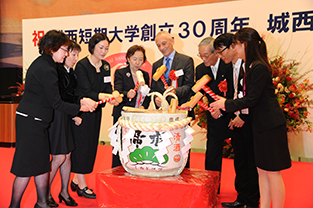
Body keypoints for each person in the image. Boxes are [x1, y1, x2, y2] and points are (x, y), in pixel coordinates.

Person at [9, 30, 97, 208]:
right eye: (65, 50)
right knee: (26, 169)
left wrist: (80, 102)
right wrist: (81, 107)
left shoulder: (46, 64)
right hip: (30, 123)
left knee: (42, 166)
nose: (66, 54)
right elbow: (57, 102)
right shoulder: (47, 69)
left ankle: (42, 202)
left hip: (37, 122)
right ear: (52, 48)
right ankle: (14, 206)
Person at [210, 27, 291, 208]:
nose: (235, 49)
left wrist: (225, 104)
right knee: (262, 171)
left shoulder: (259, 67)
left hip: (270, 126)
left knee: (273, 173)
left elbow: (251, 99)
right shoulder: (251, 66)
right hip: (260, 126)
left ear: (245, 45)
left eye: (237, 45)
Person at [214, 33, 259, 208]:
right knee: (240, 161)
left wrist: (242, 116)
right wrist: (234, 116)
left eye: (221, 51)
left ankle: (252, 200)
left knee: (251, 162)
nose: (220, 56)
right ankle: (241, 197)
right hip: (237, 119)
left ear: (233, 47)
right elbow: (234, 96)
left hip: (249, 120)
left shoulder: (248, 67)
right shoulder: (229, 68)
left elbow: (250, 96)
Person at [70, 33, 118, 199]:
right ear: (92, 47)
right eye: (101, 47)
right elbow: (86, 90)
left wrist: (113, 95)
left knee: (90, 147)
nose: (104, 51)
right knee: (81, 147)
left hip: (96, 111)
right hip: (82, 111)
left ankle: (76, 179)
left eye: (106, 48)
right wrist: (105, 96)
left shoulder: (105, 66)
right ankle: (82, 185)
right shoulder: (82, 65)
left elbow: (107, 87)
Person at [150, 31, 194, 168]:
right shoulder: (156, 65)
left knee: (182, 146)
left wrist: (175, 92)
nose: (162, 48)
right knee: (164, 146)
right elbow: (153, 88)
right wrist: (157, 97)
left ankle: (184, 174)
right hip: (163, 114)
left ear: (172, 41)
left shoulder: (186, 61)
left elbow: (190, 85)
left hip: (181, 110)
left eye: (164, 43)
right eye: (158, 45)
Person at [47, 40, 82, 207]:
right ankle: (44, 193)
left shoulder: (71, 72)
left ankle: (64, 191)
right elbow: (60, 98)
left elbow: (71, 96)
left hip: (66, 116)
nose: (75, 58)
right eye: (73, 54)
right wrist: (78, 108)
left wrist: (75, 112)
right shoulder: (57, 71)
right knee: (59, 156)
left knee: (67, 156)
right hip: (56, 117)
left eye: (76, 55)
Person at [195, 37, 232, 175]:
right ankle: (212, 189)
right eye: (201, 55)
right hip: (214, 116)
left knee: (241, 155)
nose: (204, 59)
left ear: (216, 53)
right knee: (212, 154)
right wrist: (210, 109)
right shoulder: (200, 70)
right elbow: (200, 93)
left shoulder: (228, 65)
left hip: (232, 116)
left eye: (206, 55)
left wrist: (224, 108)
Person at [112, 45, 150, 168]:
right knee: (120, 144)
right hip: (123, 115)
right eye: (134, 59)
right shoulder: (121, 72)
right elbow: (117, 91)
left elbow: (148, 95)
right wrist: (126, 94)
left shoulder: (145, 75)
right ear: (128, 58)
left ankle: (133, 169)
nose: (137, 62)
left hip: (138, 116)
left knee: (136, 144)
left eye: (141, 59)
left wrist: (144, 106)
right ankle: (116, 170)